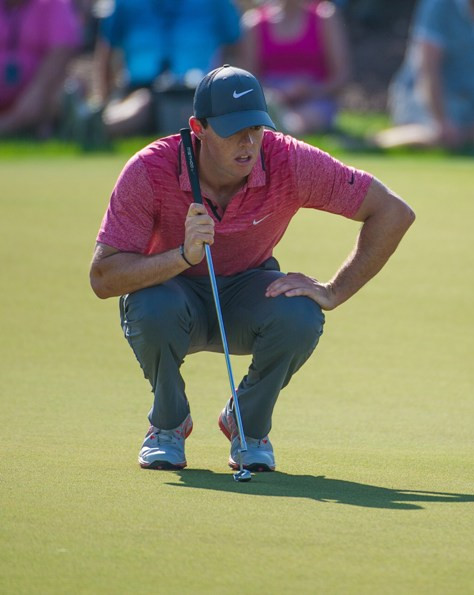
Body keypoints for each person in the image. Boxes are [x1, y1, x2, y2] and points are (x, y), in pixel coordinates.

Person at [89, 65, 415, 472]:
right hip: (171, 295)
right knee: (151, 308)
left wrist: (335, 290)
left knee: (300, 312)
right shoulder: (150, 169)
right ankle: (168, 425)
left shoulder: (289, 160)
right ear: (199, 128)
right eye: (232, 131)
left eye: (256, 129)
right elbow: (103, 277)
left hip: (247, 293)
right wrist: (183, 256)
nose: (247, 143)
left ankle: (248, 425)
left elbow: (393, 212)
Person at [373, 0, 474, 152]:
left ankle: (460, 134)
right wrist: (442, 121)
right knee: (439, 136)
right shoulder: (438, 5)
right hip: (420, 98)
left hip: (470, 104)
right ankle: (380, 140)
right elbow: (428, 71)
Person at [93, 0, 241, 138]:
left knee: (199, 116)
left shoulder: (216, 3)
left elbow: (238, 43)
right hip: (142, 90)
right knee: (138, 110)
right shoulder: (125, 3)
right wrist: (106, 99)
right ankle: (92, 126)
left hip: (197, 91)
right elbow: (106, 50)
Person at [239, 0, 352, 135]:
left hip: (314, 98)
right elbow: (248, 80)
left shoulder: (324, 17)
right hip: (269, 98)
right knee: (269, 109)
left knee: (296, 122)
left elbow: (341, 75)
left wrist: (310, 90)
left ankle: (281, 129)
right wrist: (276, 95)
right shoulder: (254, 22)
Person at [0, 0, 82, 137]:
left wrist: (37, 92)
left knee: (63, 94)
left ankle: (46, 132)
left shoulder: (54, 4)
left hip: (39, 93)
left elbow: (61, 51)